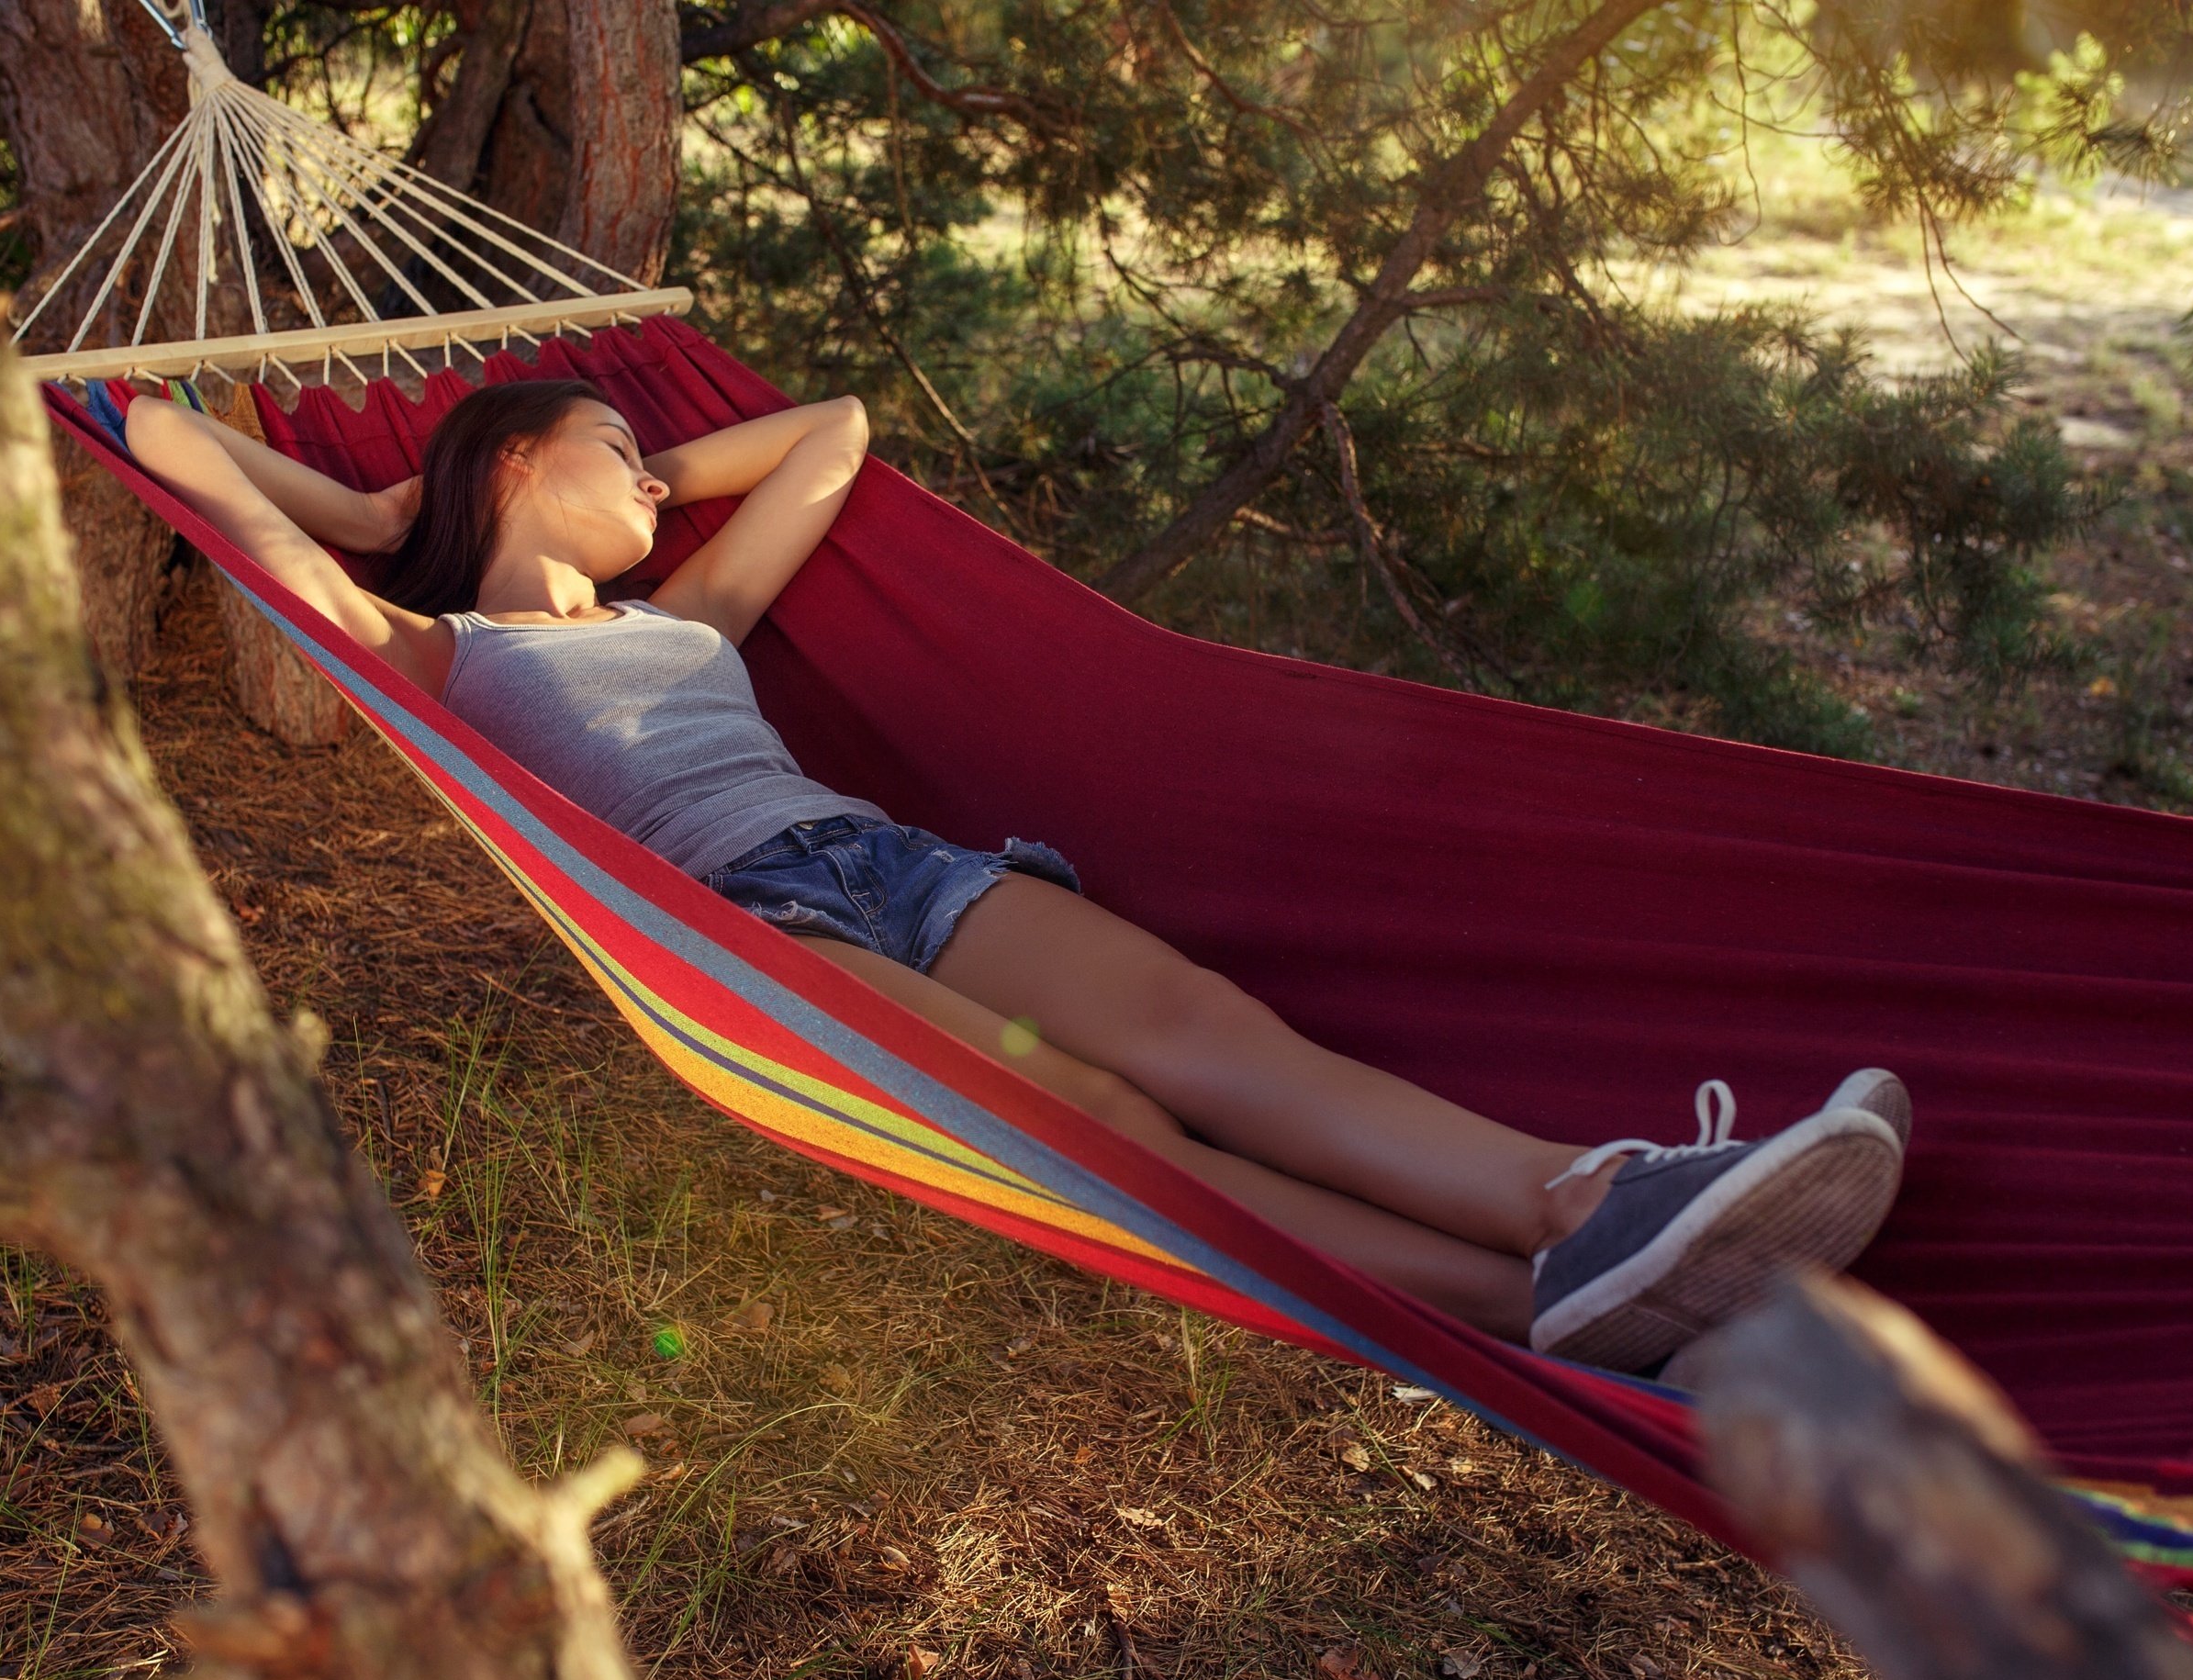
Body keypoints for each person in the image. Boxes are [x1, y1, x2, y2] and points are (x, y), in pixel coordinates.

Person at [121, 377, 1910, 1373]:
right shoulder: (439, 651)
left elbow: (830, 432)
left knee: (1215, 1029)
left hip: (895, 863)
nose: (660, 494)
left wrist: (640, 452)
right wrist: (372, 512)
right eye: (619, 458)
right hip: (749, 930)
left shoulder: (690, 613)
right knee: (1116, 1119)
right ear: (515, 460)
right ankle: (1540, 1320)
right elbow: (164, 438)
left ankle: (1589, 1204)